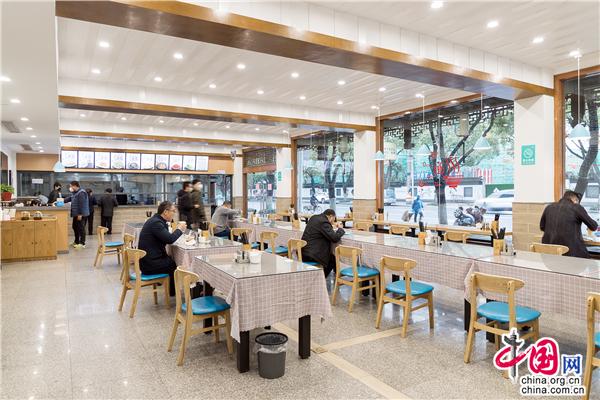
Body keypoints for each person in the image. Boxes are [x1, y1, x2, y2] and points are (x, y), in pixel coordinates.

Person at [137, 201, 186, 296]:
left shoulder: (155, 220)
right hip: (149, 265)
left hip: (147, 261)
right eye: (173, 211)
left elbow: (166, 238)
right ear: (166, 212)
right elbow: (170, 239)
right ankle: (173, 293)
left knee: (171, 260)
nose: (174, 213)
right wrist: (180, 229)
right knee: (173, 264)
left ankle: (167, 286)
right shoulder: (156, 223)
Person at [540, 190, 598, 258]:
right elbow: (593, 226)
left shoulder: (549, 207)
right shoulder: (576, 207)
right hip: (570, 254)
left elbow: (542, 227)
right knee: (590, 259)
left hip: (549, 254)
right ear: (575, 200)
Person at [301, 209, 345, 277]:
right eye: (333, 220)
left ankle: (320, 277)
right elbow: (334, 238)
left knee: (331, 257)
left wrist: (331, 226)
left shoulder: (314, 217)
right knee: (333, 258)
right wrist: (340, 229)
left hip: (304, 251)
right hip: (313, 255)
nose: (333, 222)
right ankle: (320, 278)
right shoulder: (324, 222)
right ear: (331, 216)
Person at [64, 181, 89, 249]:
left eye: (71, 186)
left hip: (81, 214)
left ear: (75, 186)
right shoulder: (75, 193)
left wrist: (80, 214)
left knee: (81, 228)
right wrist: (61, 200)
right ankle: (76, 241)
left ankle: (82, 243)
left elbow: (82, 204)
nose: (70, 188)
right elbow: (70, 198)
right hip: (76, 214)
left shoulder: (81, 193)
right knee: (75, 227)